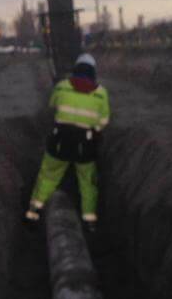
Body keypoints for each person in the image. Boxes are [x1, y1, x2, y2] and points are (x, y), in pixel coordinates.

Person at [24, 53, 110, 228]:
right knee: (87, 183)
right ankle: (89, 221)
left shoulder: (62, 87)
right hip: (85, 147)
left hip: (60, 141)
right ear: (93, 71)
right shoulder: (101, 93)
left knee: (47, 176)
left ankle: (33, 212)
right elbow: (103, 122)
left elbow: (52, 106)